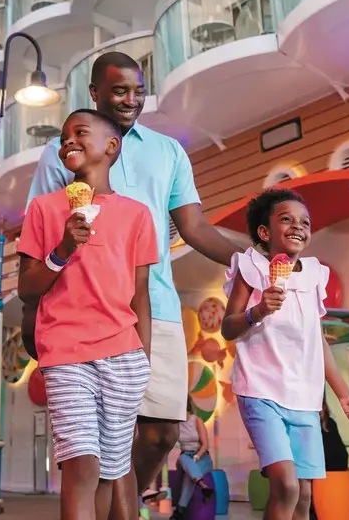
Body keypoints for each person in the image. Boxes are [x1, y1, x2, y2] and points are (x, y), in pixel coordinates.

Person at [26, 51, 241, 516]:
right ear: (95, 92)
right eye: (119, 90)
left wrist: (248, 259)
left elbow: (195, 227)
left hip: (153, 307)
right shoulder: (60, 153)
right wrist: (31, 320)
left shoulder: (168, 151)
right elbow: (40, 238)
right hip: (77, 316)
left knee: (162, 433)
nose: (130, 100)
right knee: (101, 446)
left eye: (138, 91)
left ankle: (121, 505)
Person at [18, 109, 159, 520]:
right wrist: (62, 250)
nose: (68, 142)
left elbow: (141, 295)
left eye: (79, 133)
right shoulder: (44, 209)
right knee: (81, 463)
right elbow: (27, 287)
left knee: (108, 473)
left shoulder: (137, 215)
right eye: (63, 137)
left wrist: (144, 360)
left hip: (124, 356)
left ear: (111, 146)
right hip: (65, 352)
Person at [221, 188, 349, 520]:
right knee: (286, 486)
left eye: (305, 222)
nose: (298, 226)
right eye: (286, 219)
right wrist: (257, 311)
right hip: (260, 391)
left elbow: (318, 342)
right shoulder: (251, 268)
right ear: (264, 232)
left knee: (303, 496)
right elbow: (228, 328)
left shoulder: (314, 274)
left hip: (304, 397)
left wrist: (344, 396)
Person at [172, 399, 213, 519]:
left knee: (189, 477)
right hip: (185, 458)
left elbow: (205, 445)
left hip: (202, 457)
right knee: (183, 458)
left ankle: (179, 511)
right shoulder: (176, 425)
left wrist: (197, 456)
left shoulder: (196, 420)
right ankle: (203, 486)